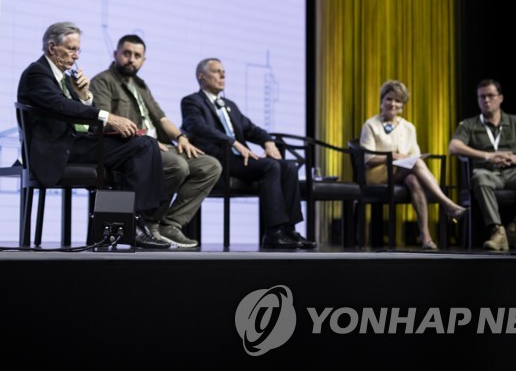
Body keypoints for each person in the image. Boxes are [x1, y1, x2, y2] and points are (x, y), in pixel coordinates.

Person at [16, 22, 169, 249]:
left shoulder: (66, 79)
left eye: (78, 50)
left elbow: (77, 110)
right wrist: (108, 117)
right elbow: (60, 107)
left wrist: (85, 96)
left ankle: (130, 222)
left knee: (143, 144)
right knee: (142, 146)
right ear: (51, 48)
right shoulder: (37, 73)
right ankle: (132, 224)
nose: (75, 56)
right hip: (59, 149)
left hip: (78, 143)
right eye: (71, 49)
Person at [91, 35, 221, 248]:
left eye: (137, 55)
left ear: (143, 60)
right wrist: (146, 138)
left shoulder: (141, 85)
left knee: (210, 166)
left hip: (159, 145)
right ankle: (148, 223)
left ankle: (170, 225)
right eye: (127, 53)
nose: (131, 59)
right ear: (116, 54)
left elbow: (162, 118)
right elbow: (106, 121)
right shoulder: (103, 81)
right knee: (177, 165)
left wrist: (180, 138)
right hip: (135, 148)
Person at [181, 58, 316, 249]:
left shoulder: (229, 105)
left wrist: (267, 142)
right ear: (201, 77)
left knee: (288, 166)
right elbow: (197, 127)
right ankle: (273, 232)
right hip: (220, 159)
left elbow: (251, 129)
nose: (223, 75)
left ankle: (289, 230)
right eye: (217, 71)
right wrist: (233, 141)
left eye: (224, 71)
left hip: (240, 158)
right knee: (270, 166)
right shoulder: (192, 102)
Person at [359, 80, 466, 250]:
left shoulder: (409, 127)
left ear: (402, 105)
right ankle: (447, 204)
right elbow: (367, 159)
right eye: (389, 99)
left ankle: (426, 237)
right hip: (378, 173)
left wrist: (409, 158)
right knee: (416, 164)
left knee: (414, 180)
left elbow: (415, 154)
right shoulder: (370, 125)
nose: (393, 104)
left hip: (403, 173)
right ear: (381, 101)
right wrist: (393, 156)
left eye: (398, 101)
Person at [448, 79, 516, 251]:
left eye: (490, 96)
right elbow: (454, 147)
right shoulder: (470, 124)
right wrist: (488, 156)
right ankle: (497, 231)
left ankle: (515, 229)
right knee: (479, 178)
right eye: (482, 97)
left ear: (501, 98)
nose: (486, 100)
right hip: (486, 172)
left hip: (513, 172)